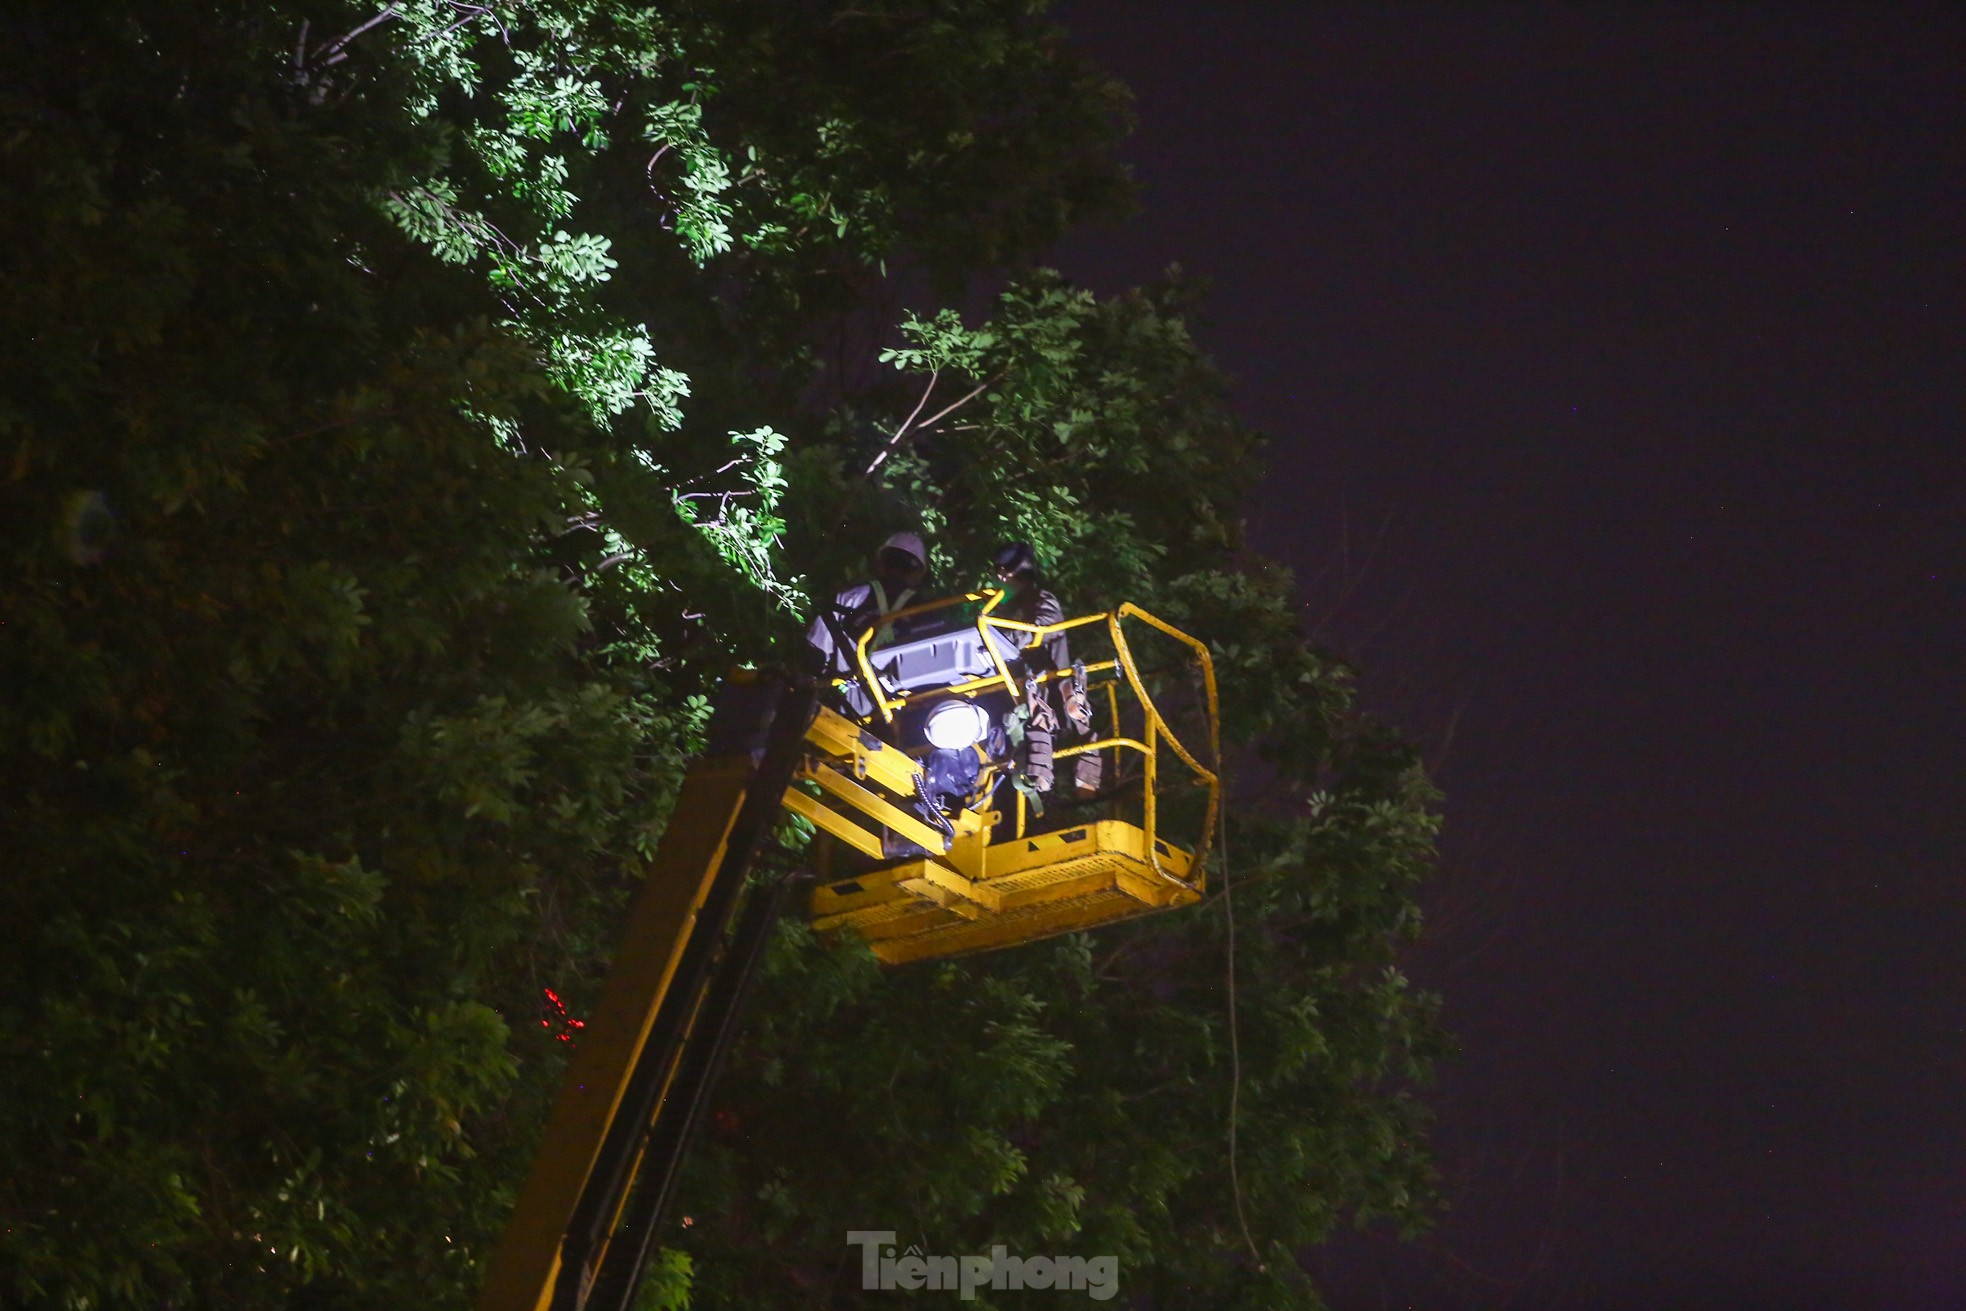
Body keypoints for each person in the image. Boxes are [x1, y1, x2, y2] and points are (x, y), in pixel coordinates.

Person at [989, 543, 1097, 800]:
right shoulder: (999, 610)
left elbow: (1044, 627)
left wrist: (997, 642)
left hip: (1048, 693)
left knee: (1060, 721)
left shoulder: (1041, 599)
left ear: (1004, 574)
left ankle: (1085, 790)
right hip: (1016, 697)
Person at [806, 531, 933, 676]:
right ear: (917, 573)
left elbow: (815, 649)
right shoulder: (928, 610)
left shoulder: (849, 598)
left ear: (881, 562)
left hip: (845, 692)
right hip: (903, 696)